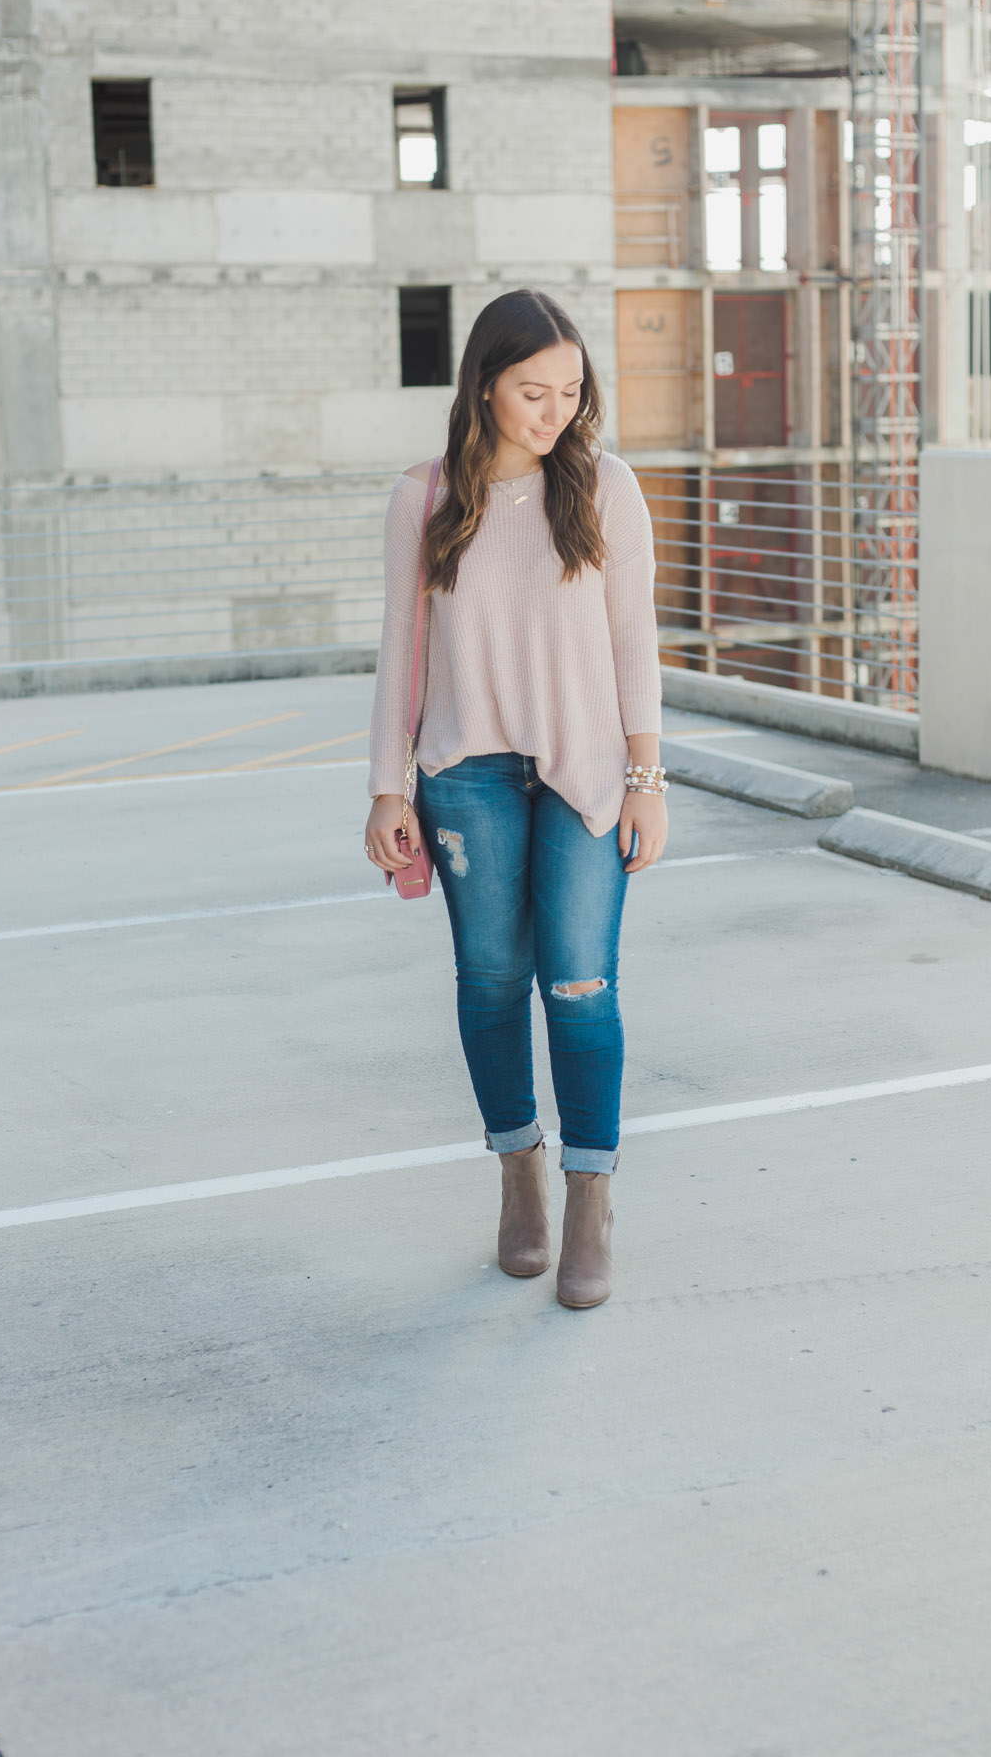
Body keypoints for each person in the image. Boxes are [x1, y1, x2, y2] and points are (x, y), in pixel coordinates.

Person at [364, 287, 668, 1309]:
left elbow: (635, 644)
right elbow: (400, 657)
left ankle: (591, 1197)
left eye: (570, 392)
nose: (554, 413)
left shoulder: (604, 488)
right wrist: (384, 788)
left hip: (584, 774)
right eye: (532, 392)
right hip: (467, 775)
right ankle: (518, 1177)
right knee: (491, 982)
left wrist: (645, 779)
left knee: (579, 987)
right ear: (483, 387)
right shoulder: (425, 497)